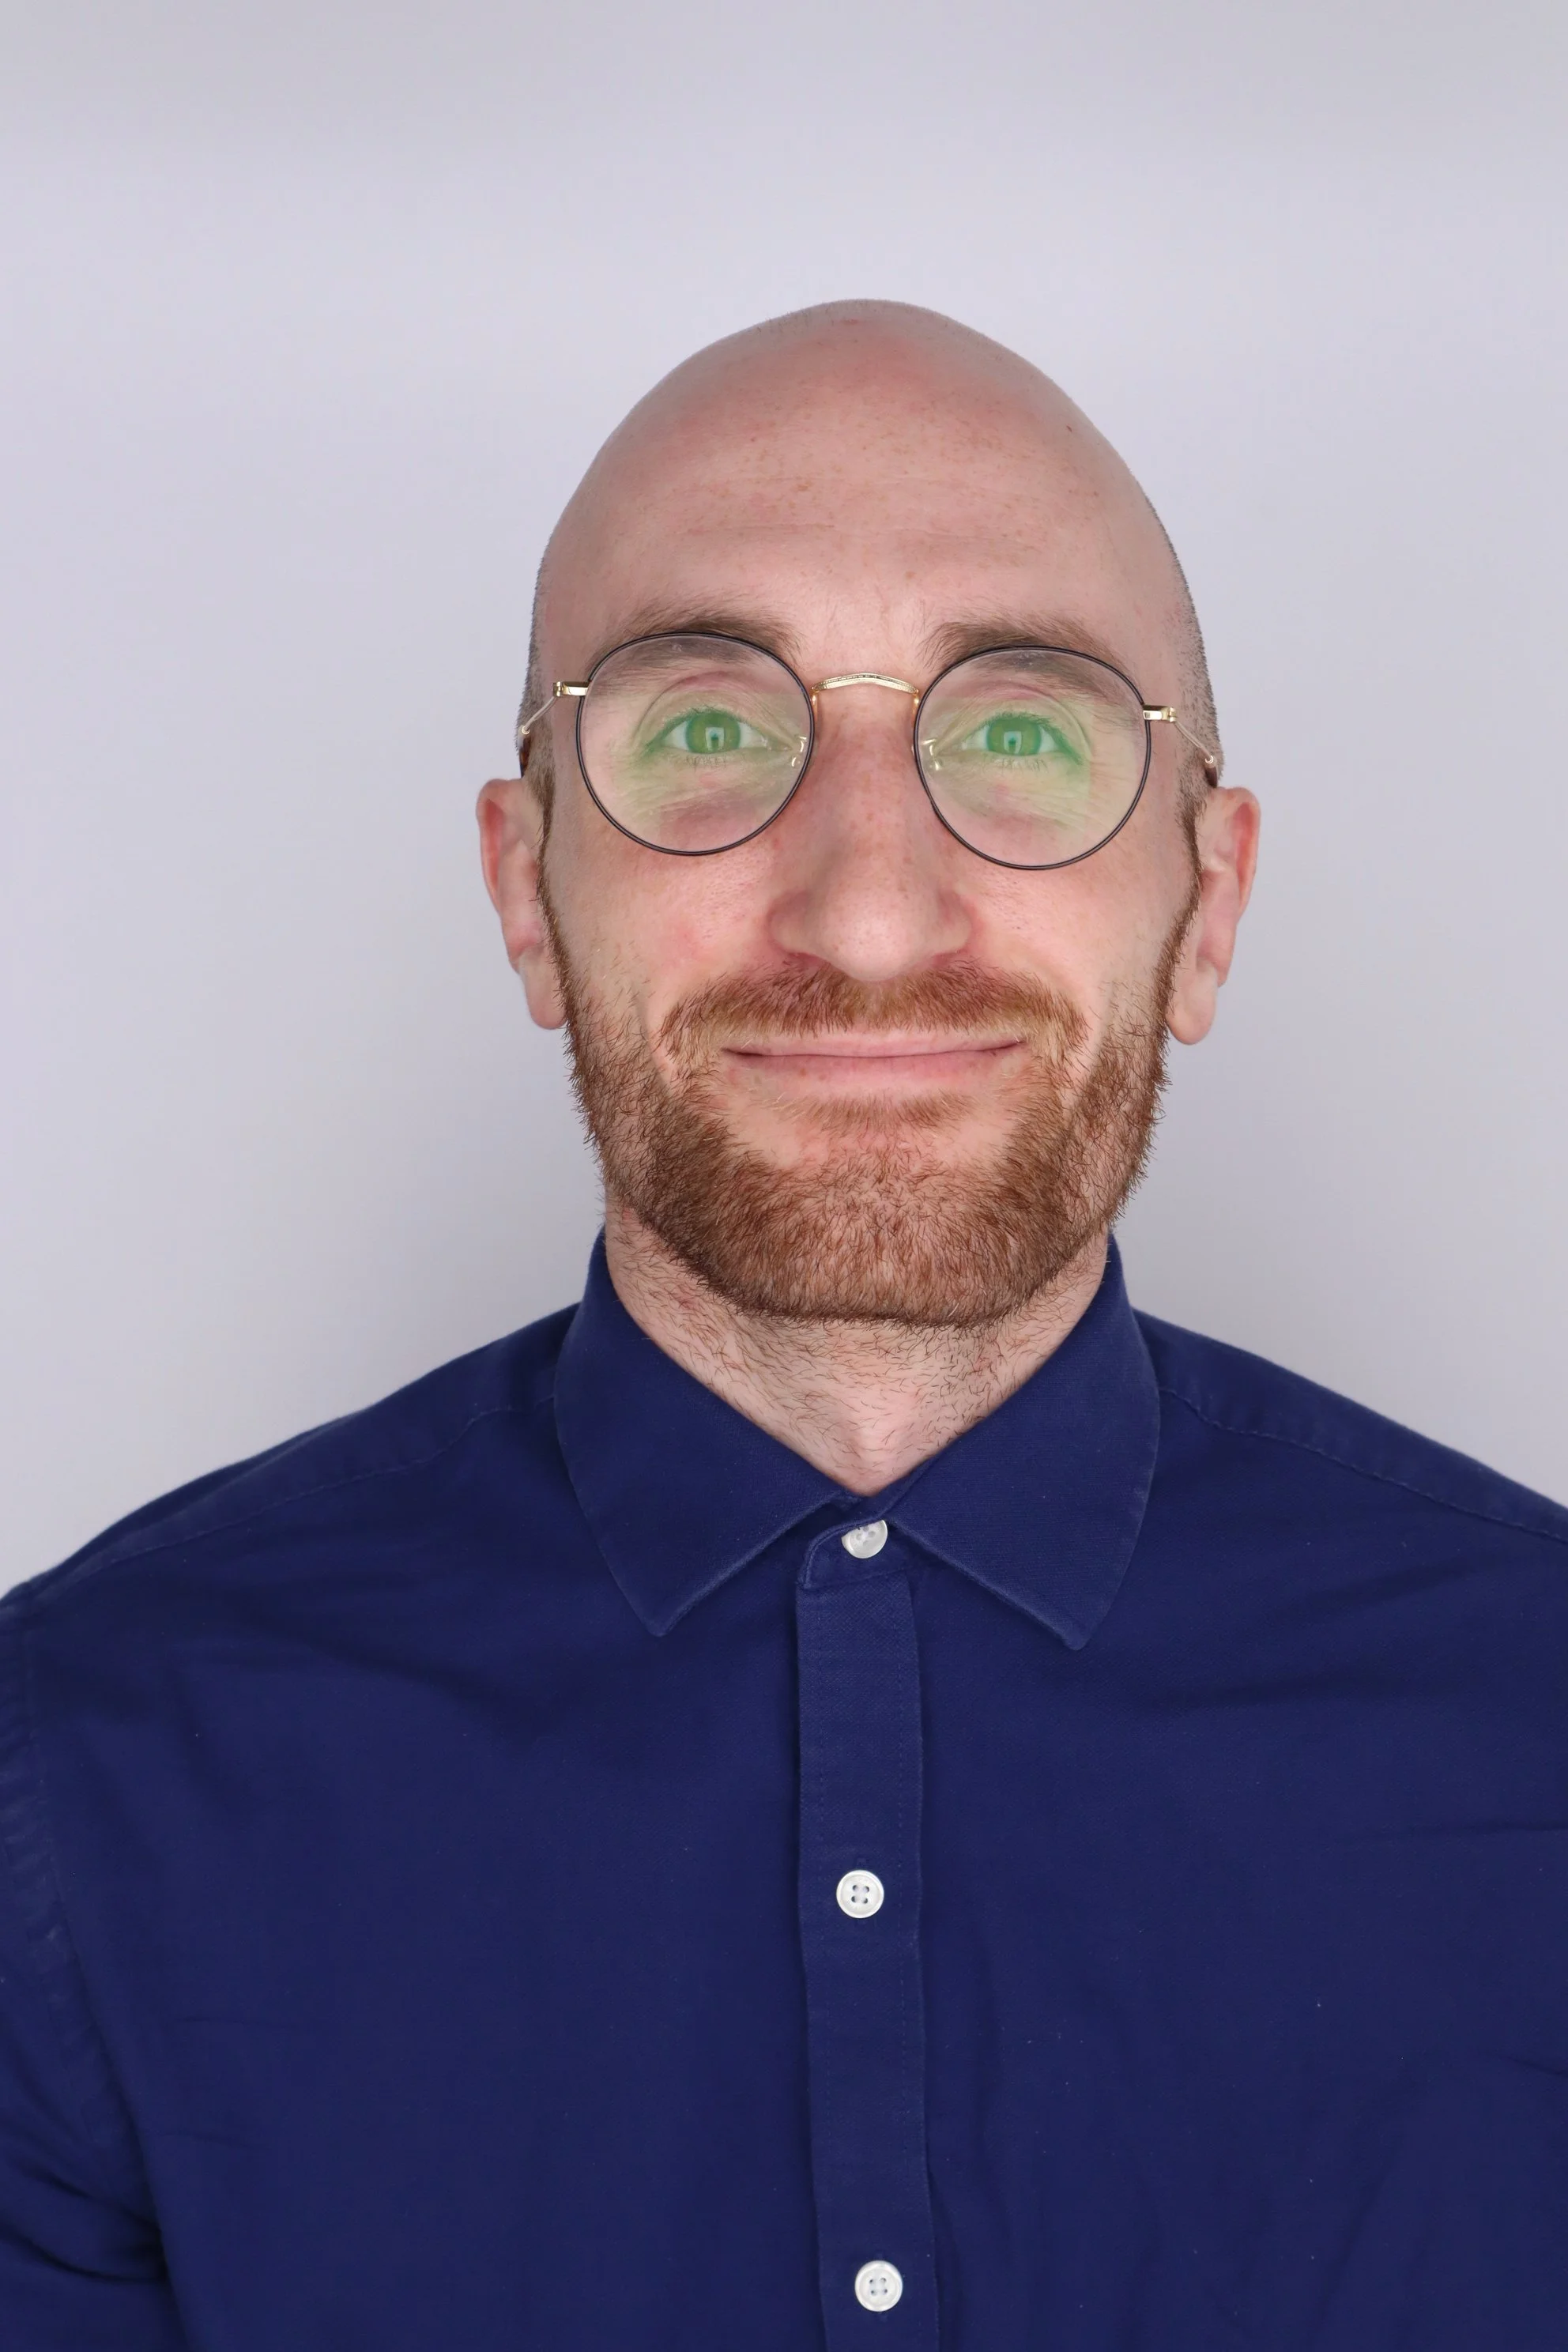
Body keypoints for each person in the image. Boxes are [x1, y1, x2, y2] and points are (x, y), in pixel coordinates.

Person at [1, 302, 1563, 2352]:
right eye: (707, 732)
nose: (867, 913)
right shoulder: (69, 1791)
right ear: (526, 891)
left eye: (1025, 734)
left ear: (1212, 904)